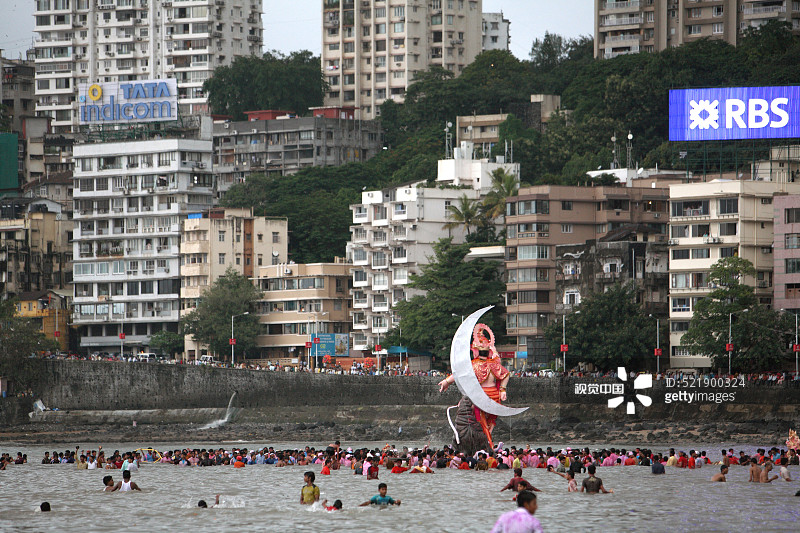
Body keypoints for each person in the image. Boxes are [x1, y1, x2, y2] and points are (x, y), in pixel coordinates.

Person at [438, 323, 511, 448]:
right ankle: (487, 442)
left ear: (475, 350)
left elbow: (458, 374)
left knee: (479, 421)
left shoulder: (473, 365)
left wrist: (446, 381)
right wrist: (502, 390)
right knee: (489, 422)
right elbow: (506, 375)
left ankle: (487, 443)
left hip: (480, 397)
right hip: (494, 397)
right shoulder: (494, 364)